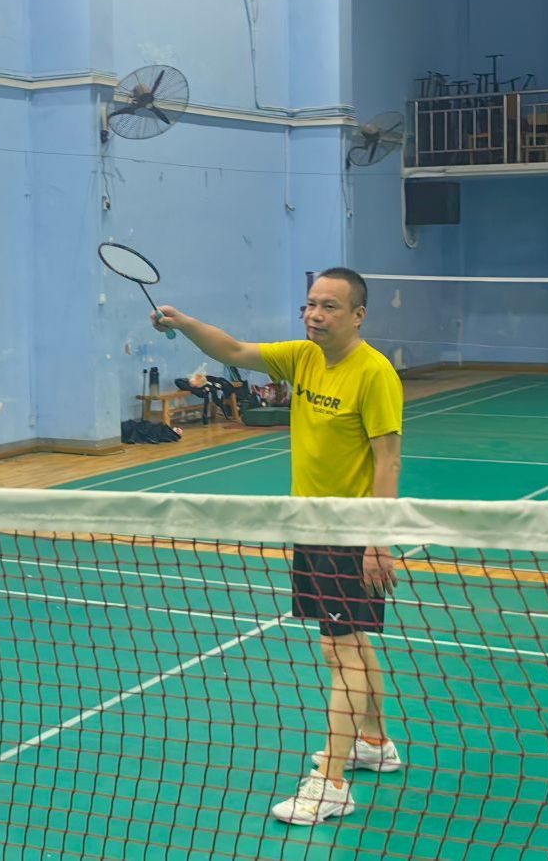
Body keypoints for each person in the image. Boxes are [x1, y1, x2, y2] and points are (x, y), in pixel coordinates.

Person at [152, 268, 404, 826]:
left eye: (330, 306)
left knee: (340, 652)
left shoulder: (374, 374)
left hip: (348, 532)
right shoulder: (303, 357)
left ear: (358, 316)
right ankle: (373, 742)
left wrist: (379, 540)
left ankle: (331, 784)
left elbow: (387, 460)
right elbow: (235, 351)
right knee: (351, 640)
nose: (315, 315)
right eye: (310, 304)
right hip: (309, 524)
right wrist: (185, 322)